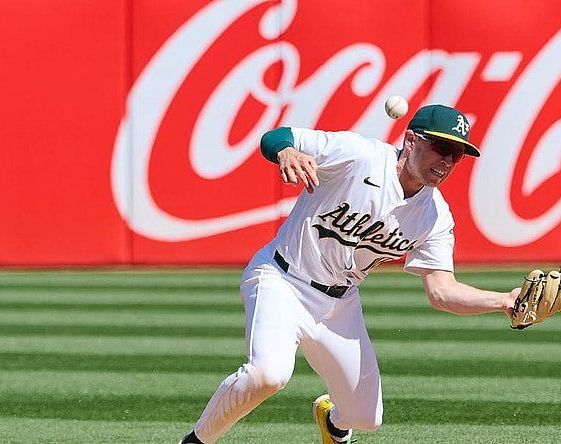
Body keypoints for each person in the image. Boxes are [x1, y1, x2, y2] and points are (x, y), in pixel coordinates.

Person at [178, 104, 520, 444]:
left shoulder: (435, 217)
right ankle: (196, 441)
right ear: (412, 140)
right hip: (282, 279)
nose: (446, 161)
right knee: (270, 374)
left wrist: (504, 301)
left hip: (339, 305)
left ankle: (333, 422)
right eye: (441, 147)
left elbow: (443, 291)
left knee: (366, 419)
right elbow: (276, 136)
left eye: (458, 154)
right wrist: (285, 152)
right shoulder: (360, 156)